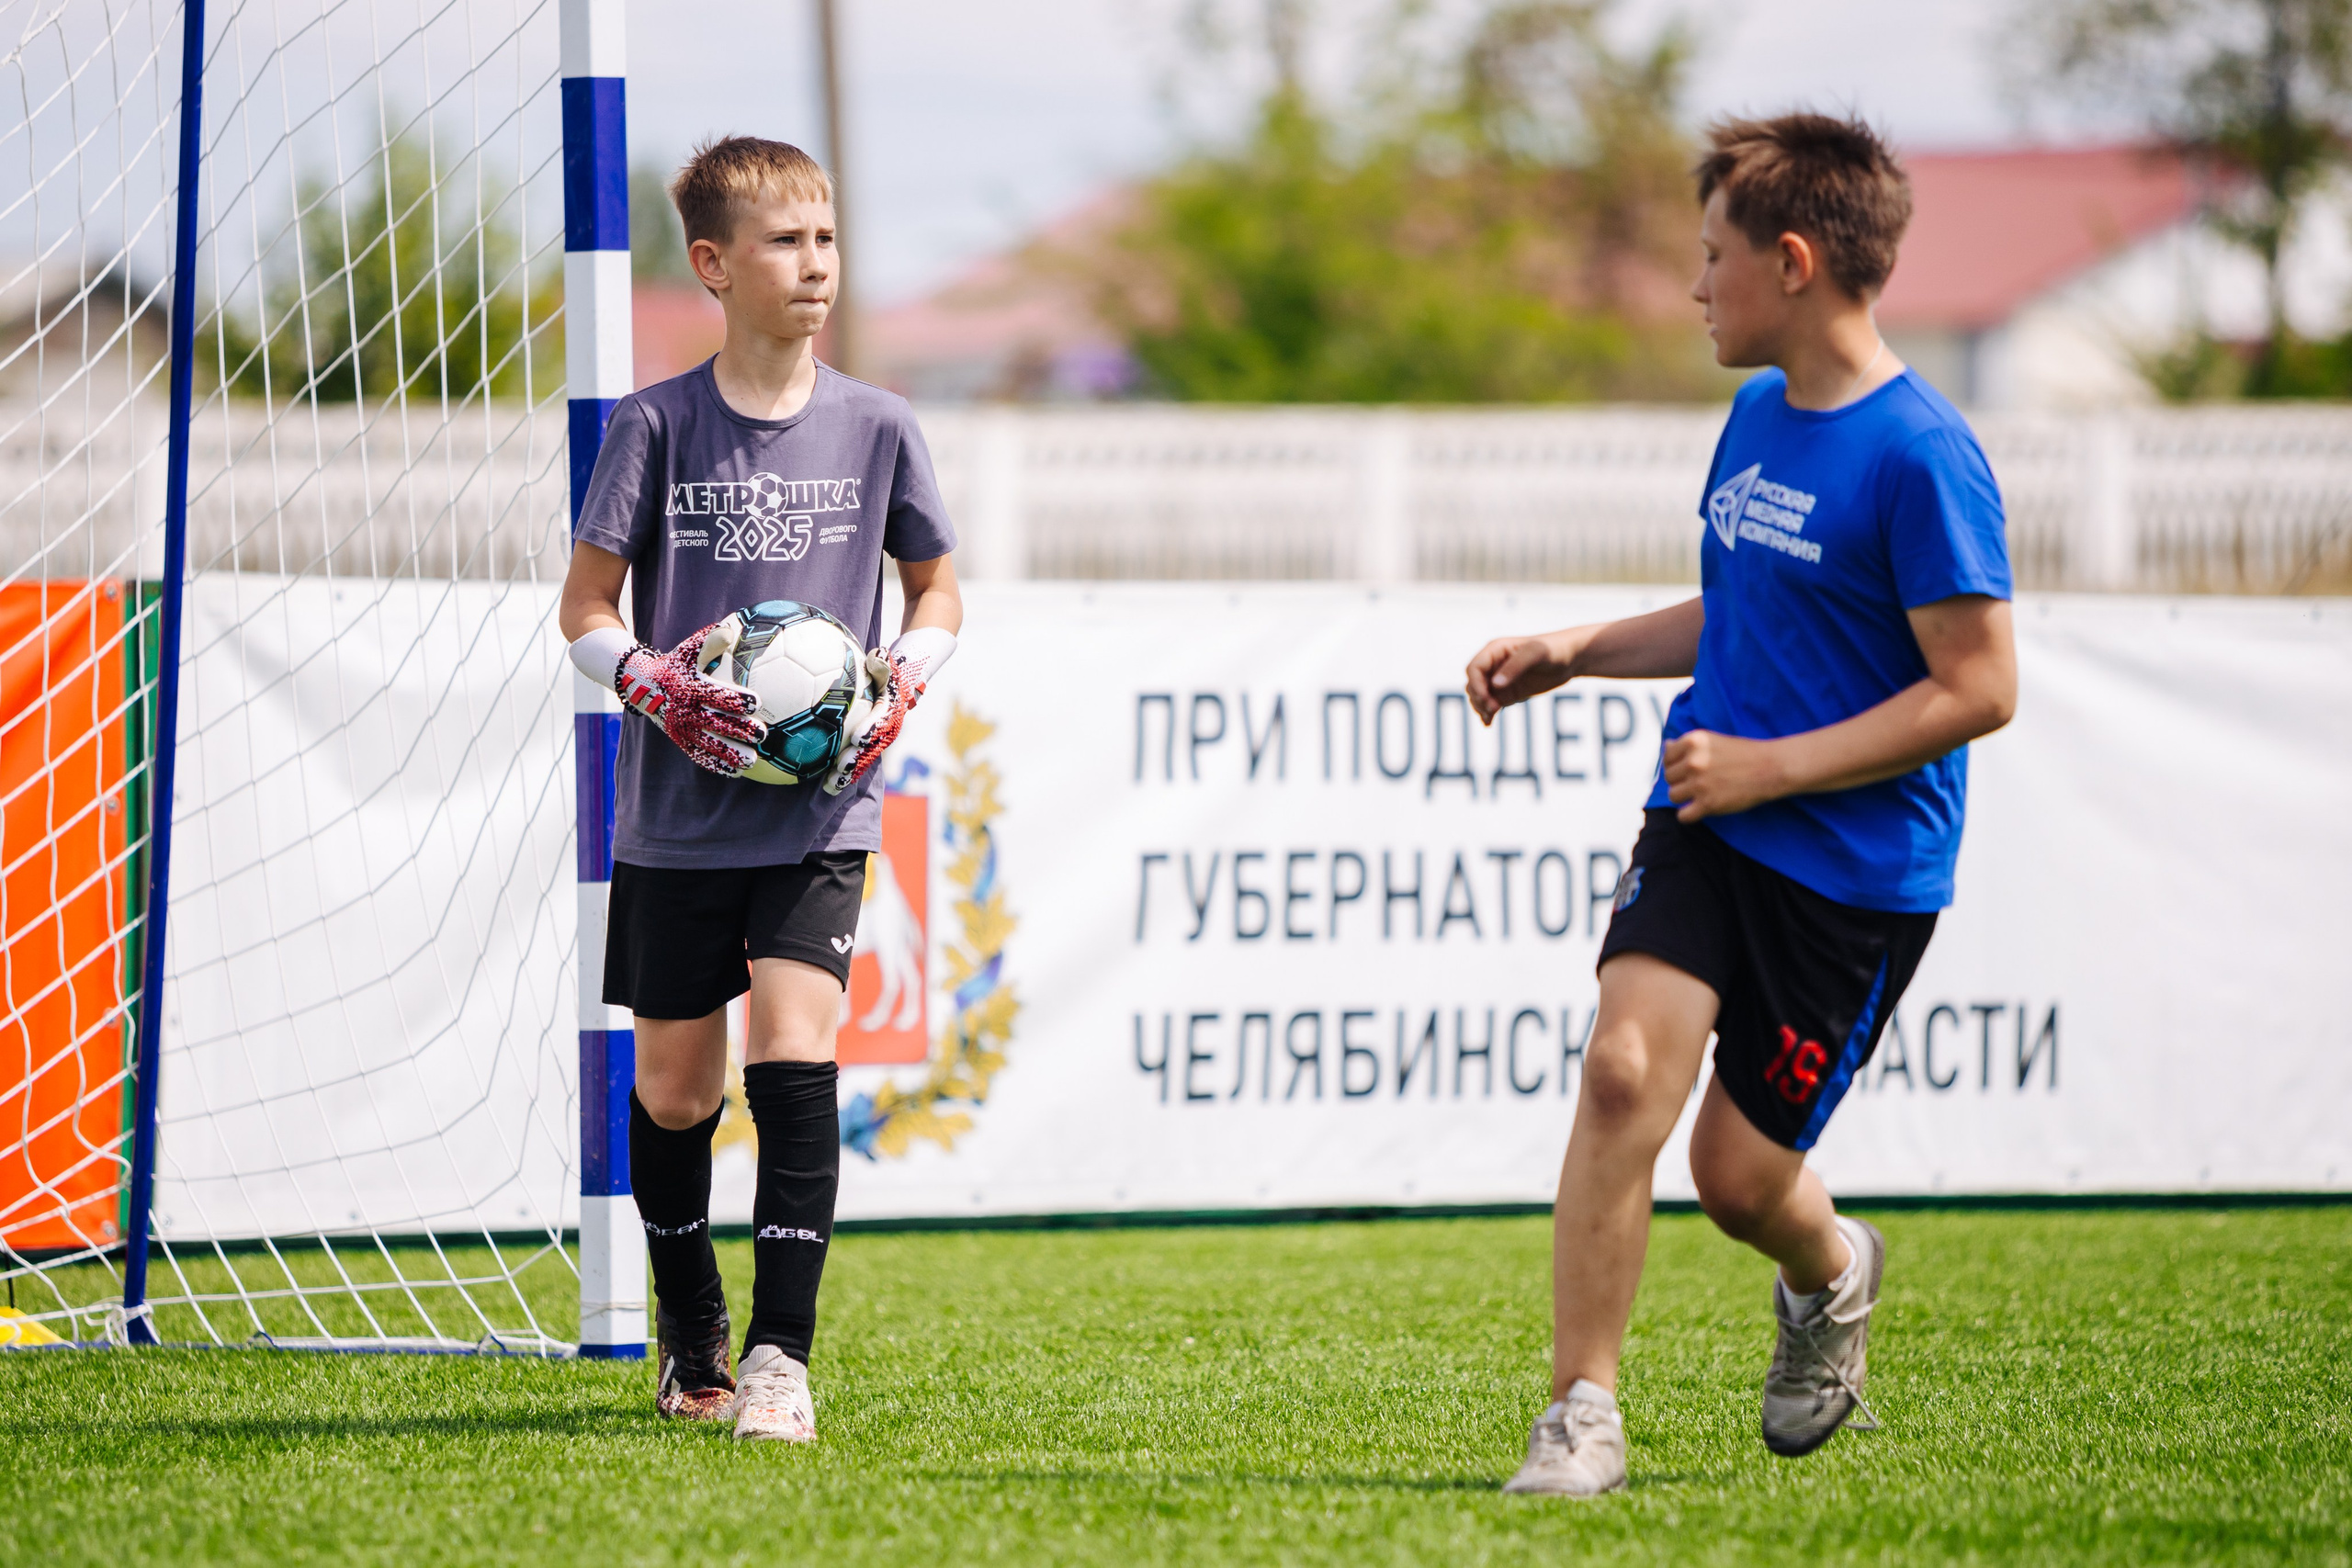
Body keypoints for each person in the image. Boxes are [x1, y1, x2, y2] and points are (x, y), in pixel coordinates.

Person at [1464, 113, 2017, 1495]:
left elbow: (1979, 687)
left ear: (1793, 260)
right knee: (1621, 1073)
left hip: (1856, 875)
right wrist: (1581, 652)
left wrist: (1776, 764)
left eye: (1712, 257)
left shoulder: (1924, 458)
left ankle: (1831, 1268)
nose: (1695, 285)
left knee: (1738, 1183)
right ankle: (1581, 1412)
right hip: (1708, 820)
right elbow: (1753, 610)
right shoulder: (1758, 415)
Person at [558, 135, 962, 1441]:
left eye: (827, 241)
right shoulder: (656, 424)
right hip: (677, 819)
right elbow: (583, 609)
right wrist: (653, 684)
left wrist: (906, 670)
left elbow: (940, 588)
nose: (815, 267)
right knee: (679, 1093)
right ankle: (693, 1329)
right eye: (786, 244)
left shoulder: (881, 425)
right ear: (715, 265)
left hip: (816, 812)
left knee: (797, 1049)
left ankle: (782, 1360)